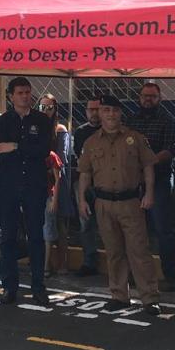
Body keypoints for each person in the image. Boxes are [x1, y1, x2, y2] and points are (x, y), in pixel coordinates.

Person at [79, 95, 162, 315]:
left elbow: (148, 167)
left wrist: (149, 194)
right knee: (114, 251)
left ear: (120, 113)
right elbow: (85, 173)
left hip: (130, 202)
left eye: (115, 110)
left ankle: (149, 297)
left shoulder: (135, 138)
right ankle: (119, 295)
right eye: (106, 110)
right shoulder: (91, 142)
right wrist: (81, 200)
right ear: (100, 112)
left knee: (139, 251)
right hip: (103, 203)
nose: (110, 114)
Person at [0, 77, 53, 306]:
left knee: (35, 236)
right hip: (9, 185)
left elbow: (43, 150)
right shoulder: (3, 121)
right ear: (11, 96)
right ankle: (9, 287)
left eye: (28, 92)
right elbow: (2, 148)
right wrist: (25, 149)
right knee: (8, 237)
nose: (25, 96)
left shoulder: (41, 120)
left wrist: (18, 146)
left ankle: (38, 286)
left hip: (34, 185)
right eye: (20, 92)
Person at [126, 82, 175, 291]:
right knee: (136, 231)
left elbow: (170, 150)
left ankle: (170, 277)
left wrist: (147, 164)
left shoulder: (169, 121)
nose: (147, 99)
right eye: (144, 96)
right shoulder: (131, 120)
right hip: (134, 181)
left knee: (163, 230)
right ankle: (136, 274)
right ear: (139, 97)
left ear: (159, 98)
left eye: (152, 96)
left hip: (159, 181)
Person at [40, 93, 76, 278]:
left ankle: (62, 262)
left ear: (55, 109)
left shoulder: (60, 129)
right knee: (44, 222)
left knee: (61, 222)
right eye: (43, 107)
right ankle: (44, 261)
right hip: (40, 179)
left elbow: (61, 157)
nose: (46, 110)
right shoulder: (36, 126)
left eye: (49, 107)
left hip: (57, 177)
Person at [73, 95, 102, 277]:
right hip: (83, 181)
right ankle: (89, 261)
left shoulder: (110, 131)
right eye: (90, 109)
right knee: (85, 222)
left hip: (105, 182)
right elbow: (80, 157)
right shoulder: (80, 132)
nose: (94, 113)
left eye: (97, 109)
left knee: (108, 222)